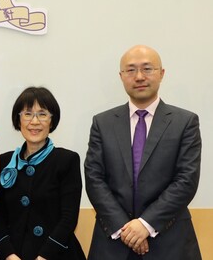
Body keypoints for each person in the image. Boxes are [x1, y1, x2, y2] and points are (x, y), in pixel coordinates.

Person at [85, 45, 202, 260]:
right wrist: (125, 229)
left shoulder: (185, 122)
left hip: (170, 243)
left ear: (161, 73)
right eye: (130, 70)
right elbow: (94, 179)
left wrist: (145, 225)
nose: (139, 76)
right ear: (121, 76)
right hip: (113, 243)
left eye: (147, 69)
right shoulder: (102, 123)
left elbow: (186, 180)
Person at [0, 87, 85, 260]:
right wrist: (9, 255)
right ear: (18, 120)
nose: (34, 122)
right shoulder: (4, 162)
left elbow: (69, 218)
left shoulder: (67, 160)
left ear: (52, 120)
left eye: (42, 114)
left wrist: (44, 257)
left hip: (56, 254)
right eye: (27, 114)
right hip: (14, 255)